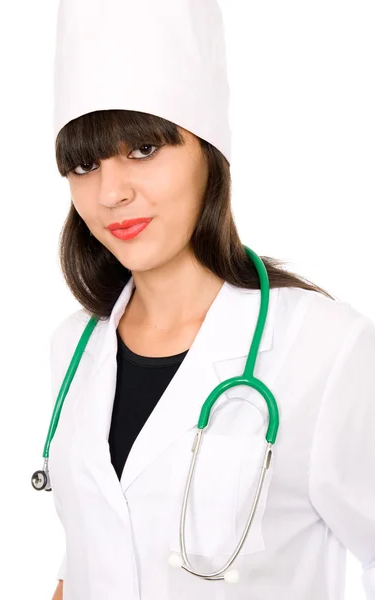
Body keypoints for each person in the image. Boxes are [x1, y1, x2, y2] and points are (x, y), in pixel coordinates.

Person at [47, 1, 375, 599]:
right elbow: (88, 559)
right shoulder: (73, 345)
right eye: (84, 163)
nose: (110, 191)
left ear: (209, 153)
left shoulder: (329, 349)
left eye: (142, 150)